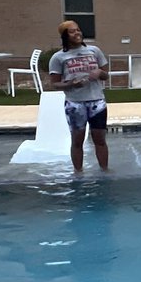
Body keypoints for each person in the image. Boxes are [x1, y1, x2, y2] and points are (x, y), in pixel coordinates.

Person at [48, 21, 110, 172]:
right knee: (77, 140)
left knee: (100, 139)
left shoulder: (94, 51)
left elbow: (105, 75)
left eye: (78, 30)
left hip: (97, 101)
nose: (77, 33)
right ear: (64, 36)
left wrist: (100, 73)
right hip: (75, 104)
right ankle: (78, 172)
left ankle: (104, 170)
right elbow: (54, 84)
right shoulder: (58, 57)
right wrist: (71, 84)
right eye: (72, 32)